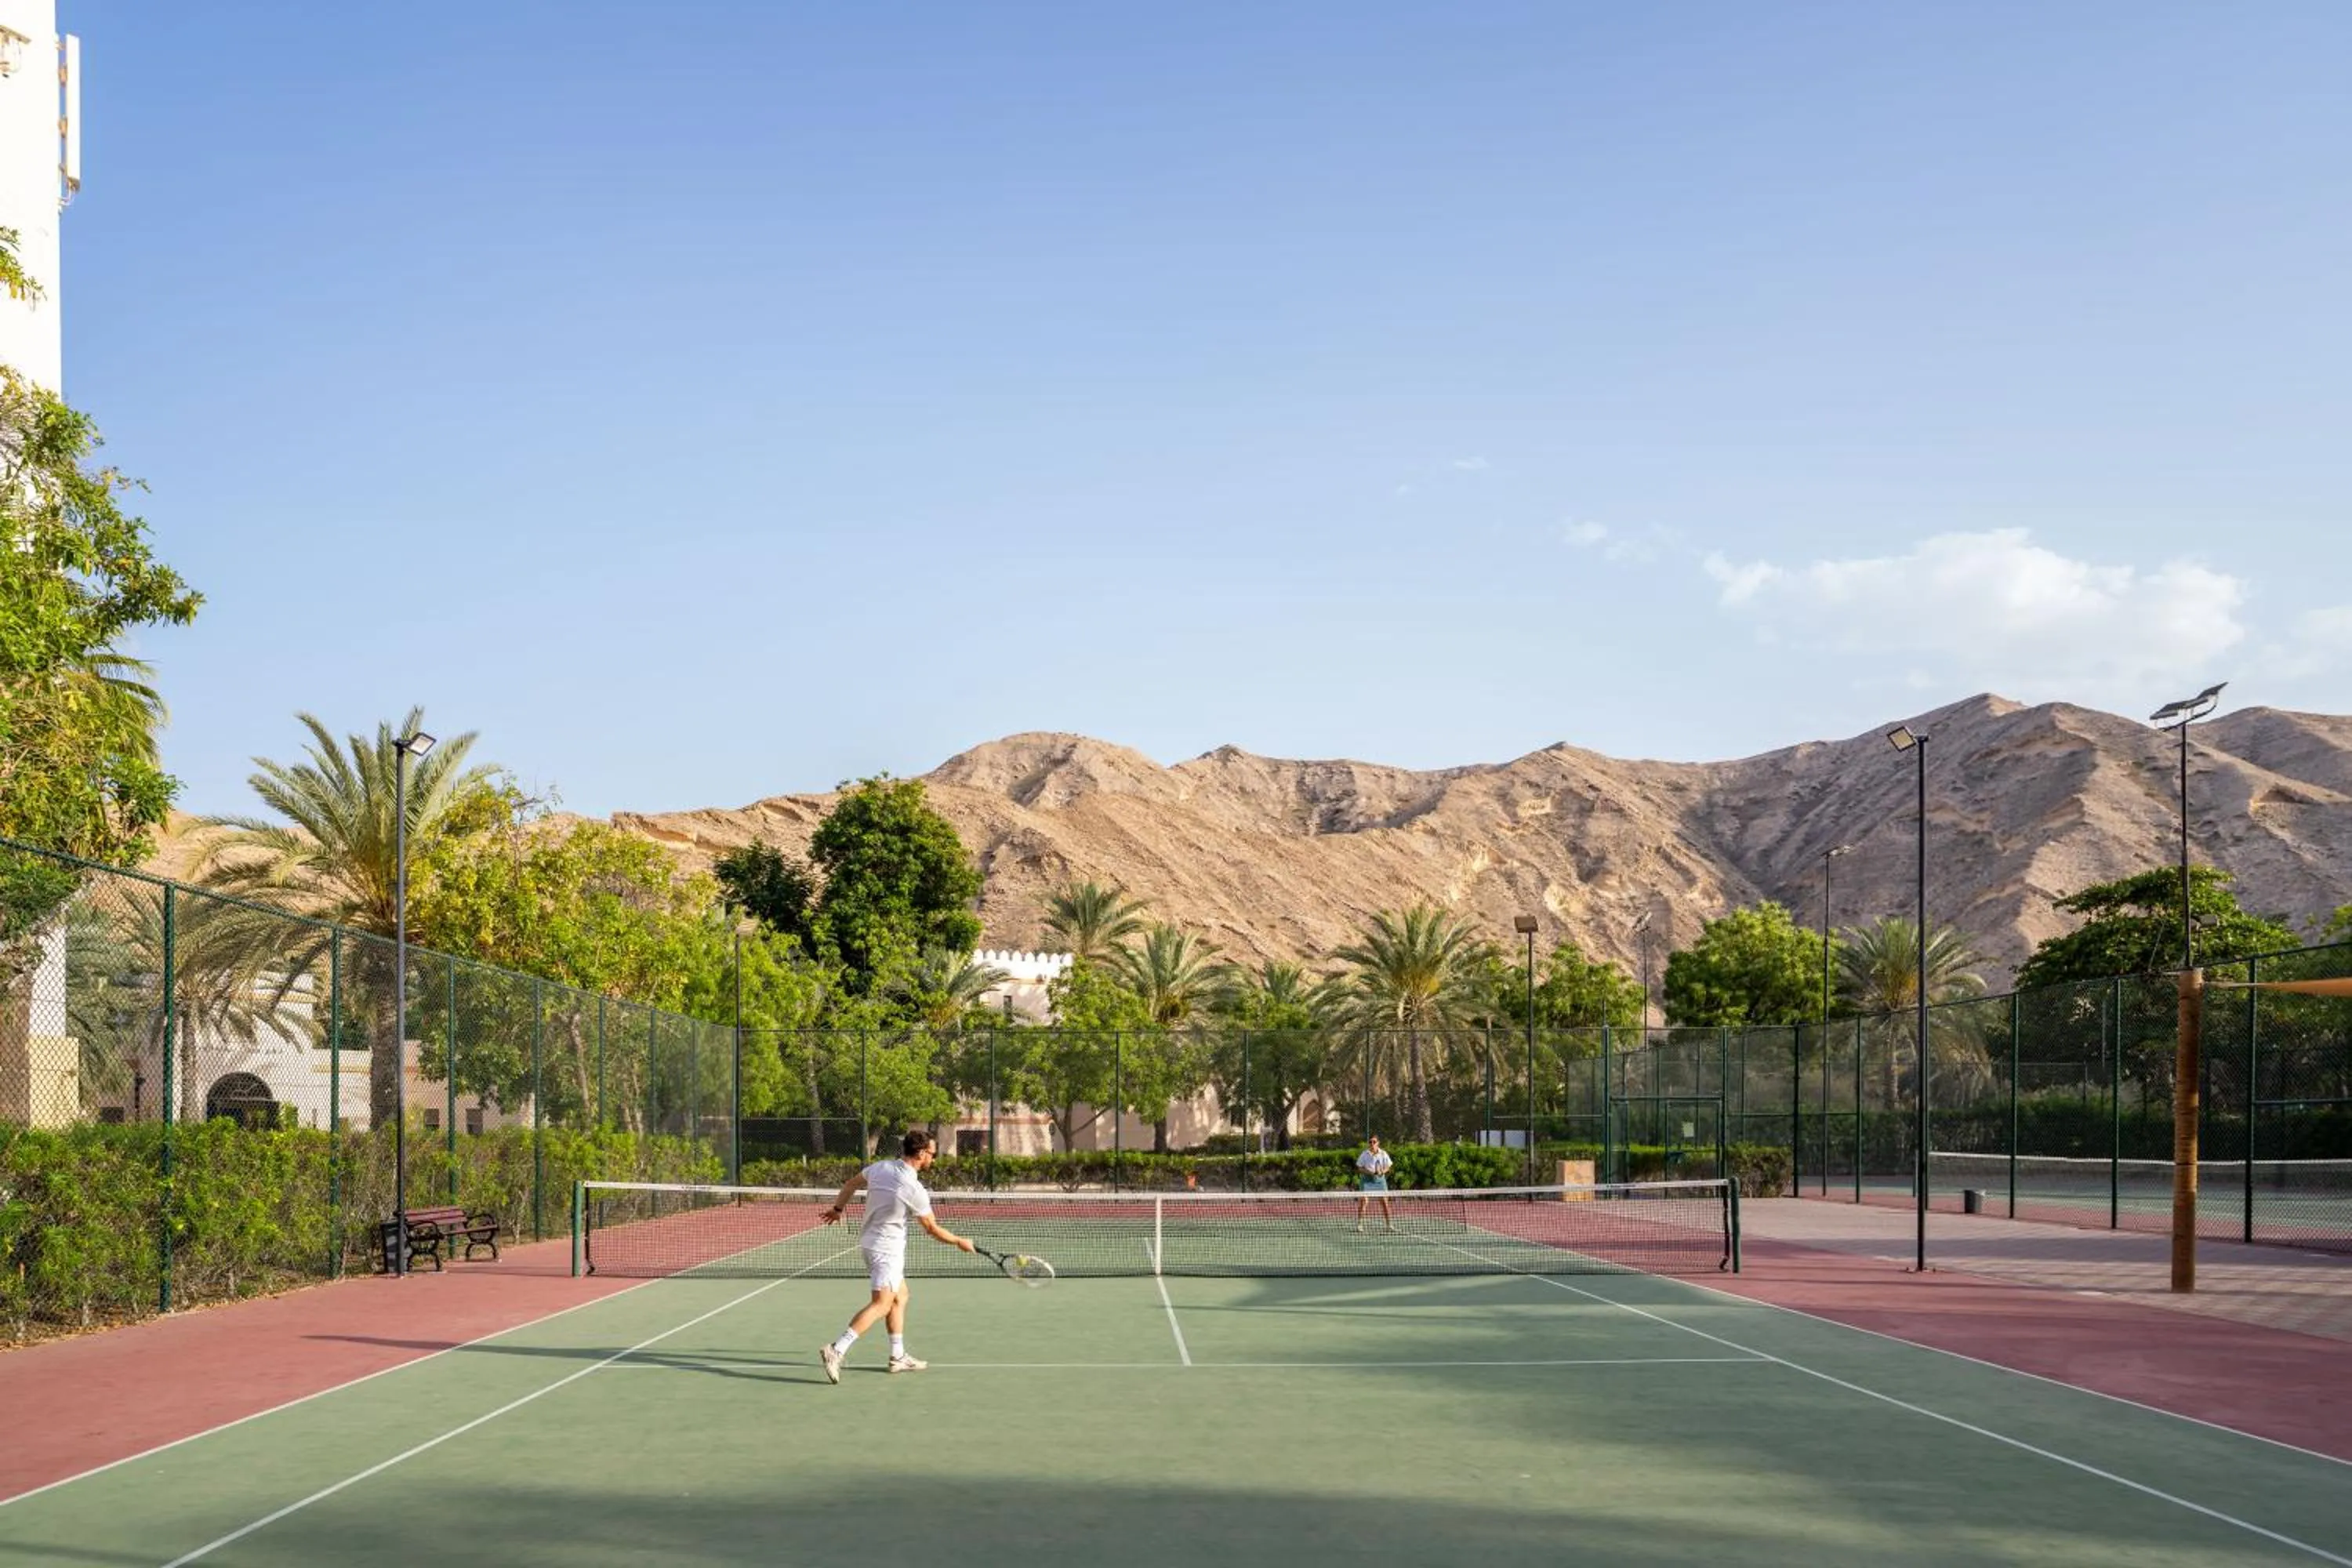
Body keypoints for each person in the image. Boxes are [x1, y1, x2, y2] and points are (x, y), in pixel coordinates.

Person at [816, 1129, 975, 1381]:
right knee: (882, 1304)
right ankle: (837, 1349)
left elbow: (850, 1184)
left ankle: (898, 1356)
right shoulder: (913, 1189)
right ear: (921, 1153)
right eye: (932, 1154)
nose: (933, 1159)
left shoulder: (881, 1168)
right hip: (886, 1251)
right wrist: (959, 1241)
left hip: (869, 1243)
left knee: (900, 1296)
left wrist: (837, 1209)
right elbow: (931, 1228)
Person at [1355, 1134, 1395, 1232]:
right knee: (1364, 1202)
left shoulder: (1383, 1154)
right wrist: (1370, 1173)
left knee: (1385, 1203)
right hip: (1367, 1180)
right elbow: (1360, 1168)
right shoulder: (1364, 1154)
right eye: (1370, 1142)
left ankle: (1389, 1224)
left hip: (1380, 1181)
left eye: (1374, 1142)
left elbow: (1388, 1167)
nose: (1372, 1144)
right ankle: (1360, 1224)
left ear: (1378, 1143)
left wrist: (1382, 1172)